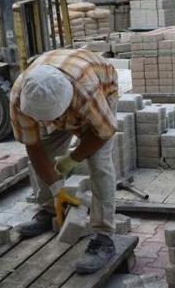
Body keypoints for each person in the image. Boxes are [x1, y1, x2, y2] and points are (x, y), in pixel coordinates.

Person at [10, 48, 119, 274]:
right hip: (65, 86)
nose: (52, 121)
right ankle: (49, 209)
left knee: (99, 164)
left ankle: (104, 236)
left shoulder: (86, 91)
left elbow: (104, 133)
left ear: (66, 102)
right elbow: (34, 147)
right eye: (44, 117)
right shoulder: (20, 97)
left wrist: (73, 158)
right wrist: (57, 189)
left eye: (55, 115)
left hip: (100, 86)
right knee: (44, 153)